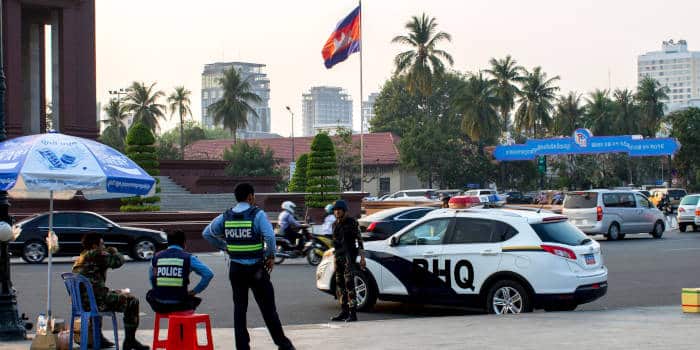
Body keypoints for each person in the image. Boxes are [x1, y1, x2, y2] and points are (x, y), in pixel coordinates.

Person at [203, 183, 295, 350]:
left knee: (239, 310)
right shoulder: (257, 214)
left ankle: (242, 347)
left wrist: (225, 246)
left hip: (236, 269)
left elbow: (207, 233)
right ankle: (283, 344)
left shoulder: (226, 216)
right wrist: (271, 255)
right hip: (256, 269)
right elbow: (269, 236)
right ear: (250, 196)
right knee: (268, 309)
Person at [72, 233, 149, 350]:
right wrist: (114, 251)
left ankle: (98, 338)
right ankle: (130, 341)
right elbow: (118, 261)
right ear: (94, 246)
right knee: (132, 301)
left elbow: (94, 286)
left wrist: (113, 292)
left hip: (83, 303)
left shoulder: (81, 257)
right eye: (102, 244)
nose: (104, 247)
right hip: (95, 303)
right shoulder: (96, 253)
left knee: (113, 294)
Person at [146, 230, 214, 313]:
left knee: (150, 293)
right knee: (193, 300)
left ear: (168, 242)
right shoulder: (189, 258)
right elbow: (208, 274)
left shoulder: (156, 257)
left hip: (158, 305)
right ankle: (181, 325)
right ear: (184, 243)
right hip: (179, 304)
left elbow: (151, 276)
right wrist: (194, 291)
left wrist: (158, 290)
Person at [330, 200, 366, 322]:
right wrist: (334, 260)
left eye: (339, 210)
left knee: (350, 285)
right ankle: (344, 312)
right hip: (339, 257)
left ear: (344, 211)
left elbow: (360, 240)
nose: (337, 212)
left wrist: (362, 258)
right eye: (335, 210)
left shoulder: (352, 223)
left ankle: (353, 313)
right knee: (339, 286)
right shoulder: (334, 225)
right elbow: (335, 245)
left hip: (349, 257)